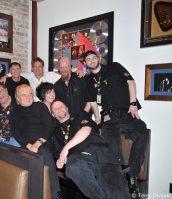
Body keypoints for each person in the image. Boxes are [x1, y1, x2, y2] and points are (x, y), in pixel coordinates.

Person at [84, 50, 149, 193]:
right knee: (112, 149)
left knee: (142, 134)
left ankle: (132, 174)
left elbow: (131, 82)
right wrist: (97, 117)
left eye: (94, 57)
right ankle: (119, 181)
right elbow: (93, 102)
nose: (92, 60)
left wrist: (133, 104)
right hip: (108, 116)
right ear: (86, 63)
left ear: (99, 58)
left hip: (127, 111)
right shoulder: (88, 80)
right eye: (88, 59)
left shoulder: (114, 67)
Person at [49, 100, 130, 199]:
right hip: (79, 158)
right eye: (55, 109)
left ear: (67, 108)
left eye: (61, 106)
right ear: (53, 115)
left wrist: (65, 148)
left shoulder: (80, 115)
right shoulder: (55, 133)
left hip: (101, 153)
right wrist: (60, 161)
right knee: (73, 168)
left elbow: (86, 129)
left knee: (117, 192)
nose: (59, 109)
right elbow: (59, 156)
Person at [11, 84, 61, 199]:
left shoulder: (40, 106)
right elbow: (16, 133)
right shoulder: (14, 113)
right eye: (24, 95)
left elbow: (49, 127)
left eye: (30, 94)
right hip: (27, 146)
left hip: (45, 142)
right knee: (16, 156)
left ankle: (55, 194)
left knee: (43, 151)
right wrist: (29, 145)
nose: (28, 97)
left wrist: (38, 143)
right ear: (17, 98)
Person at [0, 82, 20, 147]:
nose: (0, 95)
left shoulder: (19, 103)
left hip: (14, 141)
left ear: (6, 90)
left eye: (1, 91)